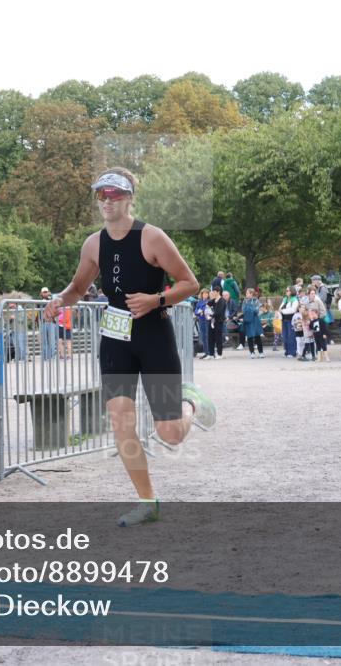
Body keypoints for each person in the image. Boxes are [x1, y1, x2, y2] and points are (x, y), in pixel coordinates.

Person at [43, 167, 215, 527]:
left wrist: (156, 300)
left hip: (154, 337)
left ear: (129, 197)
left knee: (170, 434)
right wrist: (59, 300)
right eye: (101, 195)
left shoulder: (152, 237)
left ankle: (191, 404)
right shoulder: (93, 244)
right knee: (121, 421)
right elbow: (78, 288)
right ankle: (147, 502)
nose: (107, 201)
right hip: (115, 340)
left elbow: (190, 283)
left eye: (114, 194)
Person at [241, 288, 264, 358]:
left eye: (247, 293)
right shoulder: (244, 301)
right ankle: (252, 352)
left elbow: (256, 311)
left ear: (251, 294)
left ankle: (261, 352)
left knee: (257, 336)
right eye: (246, 293)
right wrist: (251, 309)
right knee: (249, 337)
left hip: (255, 320)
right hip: (248, 320)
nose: (246, 294)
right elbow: (243, 310)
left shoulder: (256, 300)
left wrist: (249, 309)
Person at [279, 287, 299, 358]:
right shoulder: (285, 299)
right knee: (285, 336)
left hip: (291, 320)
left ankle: (292, 352)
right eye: (286, 290)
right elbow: (280, 308)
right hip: (284, 319)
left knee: (291, 336)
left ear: (291, 291)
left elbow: (293, 310)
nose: (286, 292)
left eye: (287, 290)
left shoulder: (295, 300)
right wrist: (281, 311)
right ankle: (287, 351)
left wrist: (283, 311)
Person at [38, 287, 58, 360]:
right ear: (41, 293)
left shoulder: (52, 300)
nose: (45, 293)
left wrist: (51, 296)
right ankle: (45, 356)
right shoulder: (39, 302)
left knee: (52, 340)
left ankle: (52, 356)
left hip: (51, 322)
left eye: (46, 292)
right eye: (44, 292)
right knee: (44, 341)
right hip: (43, 322)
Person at [194, 288, 211, 359]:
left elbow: (208, 309)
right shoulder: (199, 302)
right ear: (201, 294)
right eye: (204, 293)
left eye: (207, 293)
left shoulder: (209, 301)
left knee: (207, 336)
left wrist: (202, 311)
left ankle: (209, 352)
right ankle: (206, 352)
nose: (205, 295)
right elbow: (195, 311)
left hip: (207, 320)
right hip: (201, 320)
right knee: (203, 336)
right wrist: (199, 312)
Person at [208, 289, 225, 359]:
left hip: (218, 321)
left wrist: (211, 315)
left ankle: (219, 354)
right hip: (212, 321)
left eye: (215, 292)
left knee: (218, 338)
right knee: (210, 337)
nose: (213, 293)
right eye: (213, 292)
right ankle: (211, 354)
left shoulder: (222, 300)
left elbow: (219, 311)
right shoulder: (214, 300)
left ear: (218, 292)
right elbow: (208, 304)